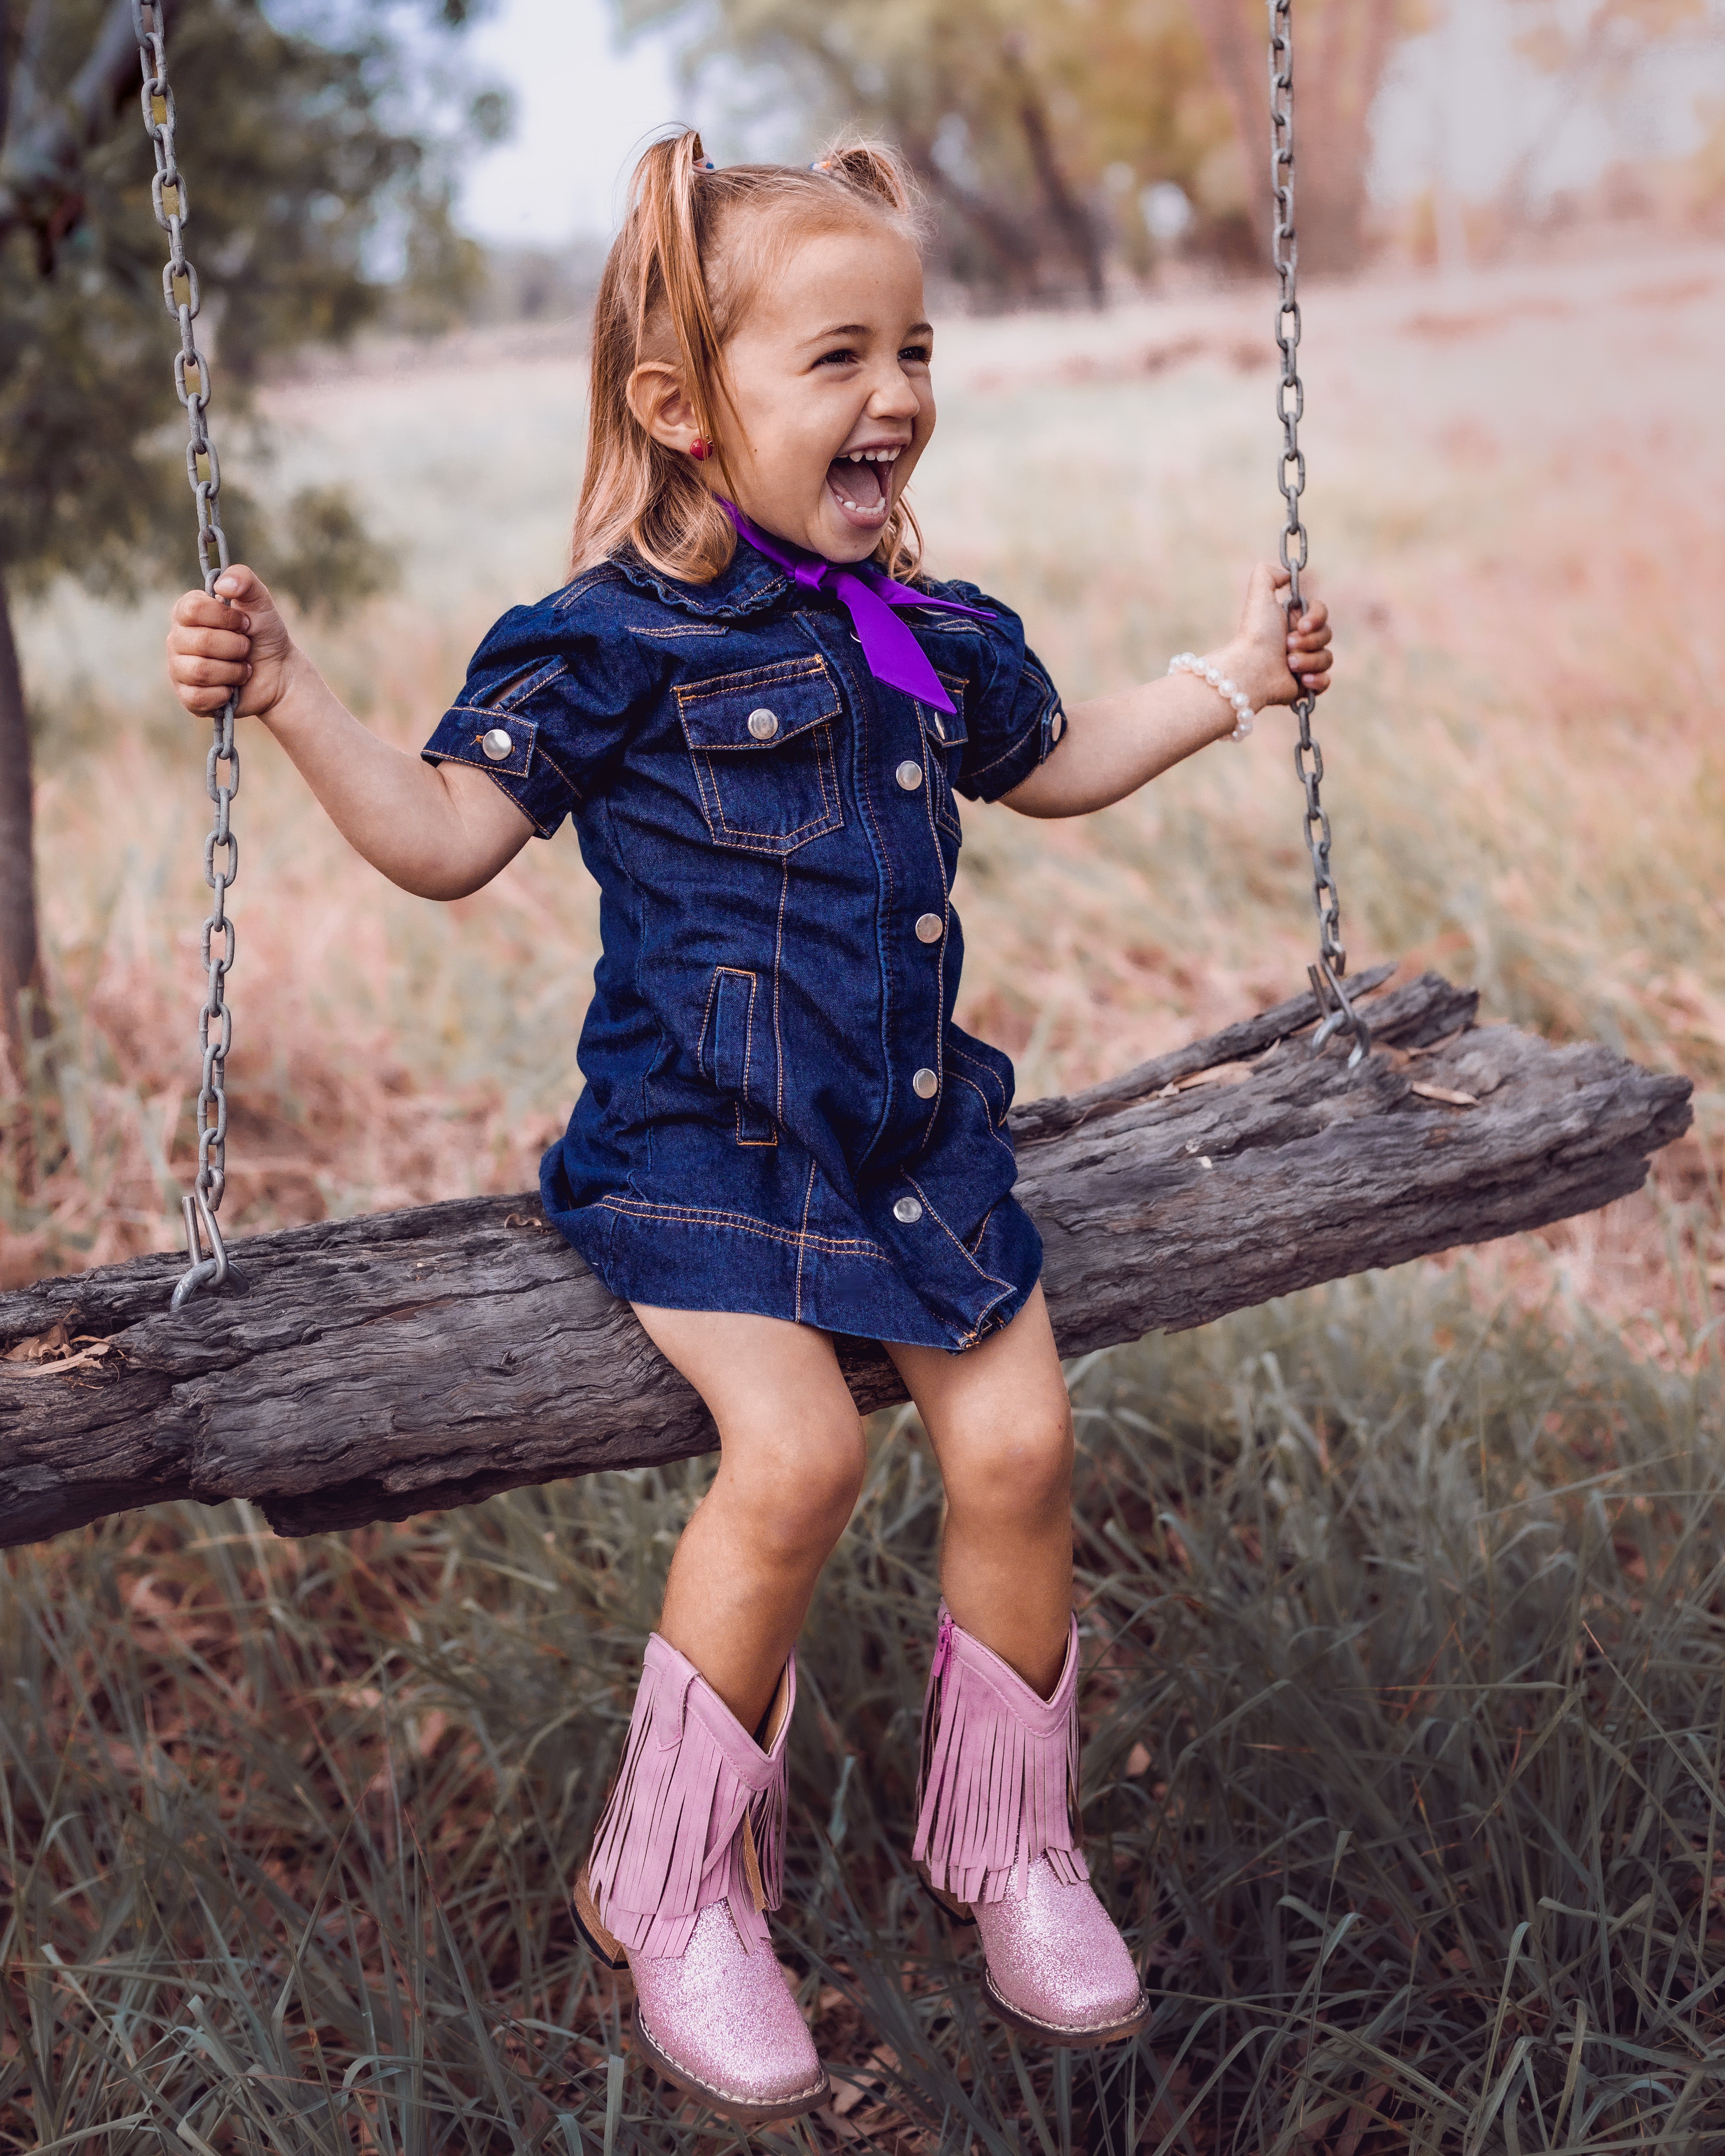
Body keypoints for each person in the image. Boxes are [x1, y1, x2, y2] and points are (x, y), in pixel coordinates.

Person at [166, 130, 1333, 2127]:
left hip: (906, 1143)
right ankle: (675, 1876)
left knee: (1024, 1437)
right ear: (683, 409)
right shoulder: (604, 641)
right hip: (696, 1152)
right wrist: (288, 695)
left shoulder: (937, 629)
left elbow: (1052, 767)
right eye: (837, 358)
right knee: (790, 1452)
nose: (894, 396)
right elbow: (449, 839)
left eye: (916, 348)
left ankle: (1012, 1841)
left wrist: (1231, 679)